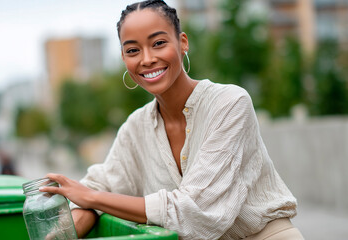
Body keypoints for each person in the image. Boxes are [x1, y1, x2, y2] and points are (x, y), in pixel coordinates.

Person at [39, 1, 304, 239]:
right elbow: (97, 189)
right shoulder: (135, 126)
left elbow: (194, 214)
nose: (147, 59)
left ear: (183, 42)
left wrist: (92, 197)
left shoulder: (231, 103)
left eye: (158, 43)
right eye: (133, 50)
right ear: (124, 59)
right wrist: (64, 230)